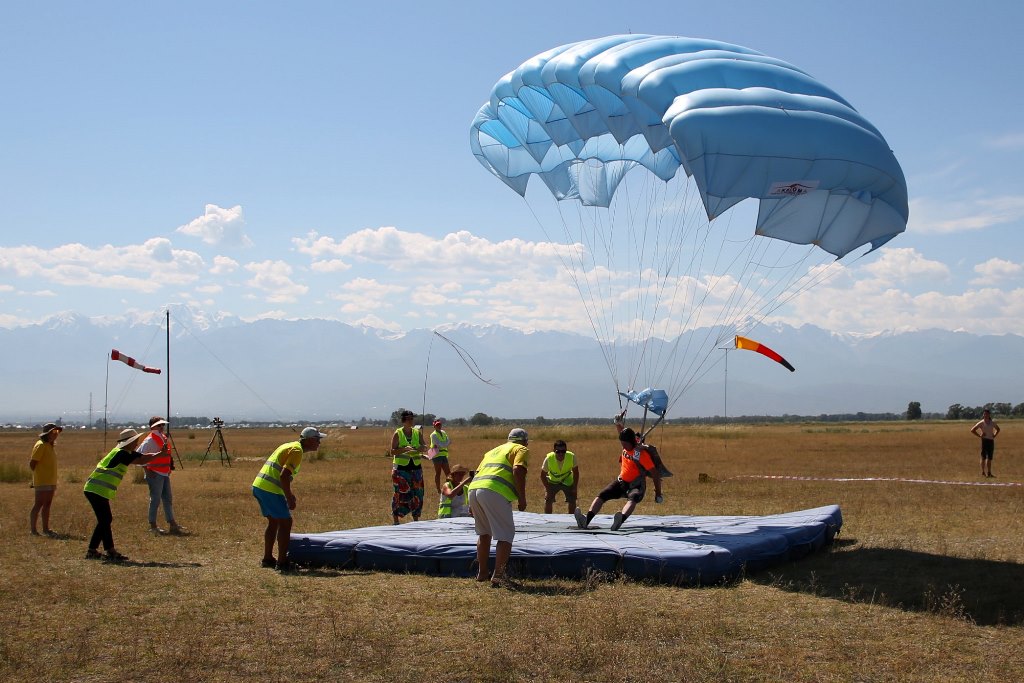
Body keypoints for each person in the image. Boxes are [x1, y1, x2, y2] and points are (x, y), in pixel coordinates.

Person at [83, 428, 163, 562]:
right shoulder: (121, 454)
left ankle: (94, 551)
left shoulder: (123, 452)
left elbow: (140, 456)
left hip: (97, 490)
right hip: (96, 490)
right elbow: (141, 459)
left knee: (105, 520)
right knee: (105, 519)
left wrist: (157, 453)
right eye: (135, 441)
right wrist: (160, 454)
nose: (137, 443)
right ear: (128, 442)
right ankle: (108, 551)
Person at [252, 426, 326, 571]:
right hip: (270, 489)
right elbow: (284, 476)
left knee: (274, 521)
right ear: (310, 440)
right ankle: (282, 562)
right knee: (286, 522)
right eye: (318, 439)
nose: (319, 443)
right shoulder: (297, 451)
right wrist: (289, 497)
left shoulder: (289, 445)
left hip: (259, 486)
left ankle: (268, 559)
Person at [467, 428, 529, 587]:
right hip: (493, 491)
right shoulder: (520, 449)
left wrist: (470, 503)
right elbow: (518, 470)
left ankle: (482, 573)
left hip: (474, 490)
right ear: (525, 441)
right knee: (506, 535)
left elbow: (476, 473)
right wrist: (522, 497)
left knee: (484, 533)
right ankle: (499, 575)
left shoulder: (493, 451)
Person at [574, 427, 663, 532]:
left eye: (625, 444)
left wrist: (658, 492)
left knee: (633, 499)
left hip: (636, 484)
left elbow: (655, 474)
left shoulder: (642, 454)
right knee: (602, 495)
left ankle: (620, 520)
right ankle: (586, 520)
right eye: (622, 443)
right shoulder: (628, 443)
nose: (623, 446)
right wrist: (618, 423)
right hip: (621, 481)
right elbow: (621, 430)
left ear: (632, 441)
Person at [138, 416, 186, 535]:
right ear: (152, 426)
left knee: (167, 499)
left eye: (163, 425)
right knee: (155, 499)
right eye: (159, 425)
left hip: (164, 473)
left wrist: (169, 468)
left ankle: (172, 524)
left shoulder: (163, 438)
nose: (162, 427)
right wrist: (147, 470)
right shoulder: (149, 440)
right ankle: (153, 526)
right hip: (154, 474)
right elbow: (139, 455)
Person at [390, 410, 426, 524]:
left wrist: (421, 448)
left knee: (418, 493)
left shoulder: (417, 432)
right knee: (401, 494)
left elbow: (424, 446)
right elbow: (392, 451)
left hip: (416, 468)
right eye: (409, 419)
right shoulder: (398, 433)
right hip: (401, 469)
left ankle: (416, 518)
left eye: (412, 418)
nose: (411, 421)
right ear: (403, 420)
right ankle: (396, 519)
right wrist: (405, 449)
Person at [614, 410, 672, 479]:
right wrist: (618, 421)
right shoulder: (627, 442)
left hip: (635, 480)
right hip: (624, 476)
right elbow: (622, 433)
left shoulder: (640, 451)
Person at [29, 422, 63, 536]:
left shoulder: (50, 445)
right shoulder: (41, 445)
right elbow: (32, 463)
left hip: (51, 480)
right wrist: (37, 477)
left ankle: (46, 529)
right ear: (47, 433)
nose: (56, 434)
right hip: (42, 480)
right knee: (38, 504)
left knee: (47, 504)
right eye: (54, 431)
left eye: (57, 432)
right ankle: (33, 530)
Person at [540, 440, 578, 514]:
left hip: (568, 481)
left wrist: (574, 487)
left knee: (572, 500)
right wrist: (548, 489)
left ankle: (572, 518)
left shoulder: (571, 456)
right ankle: (548, 518)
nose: (561, 454)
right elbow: (542, 475)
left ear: (566, 450)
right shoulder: (548, 458)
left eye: (563, 451)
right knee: (548, 500)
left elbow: (576, 473)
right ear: (554, 451)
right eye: (558, 451)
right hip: (552, 482)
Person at [971, 409, 1001, 478]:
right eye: (984, 414)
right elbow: (972, 430)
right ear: (983, 415)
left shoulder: (992, 422)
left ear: (989, 414)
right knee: (983, 457)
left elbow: (998, 429)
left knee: (989, 458)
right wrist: (979, 435)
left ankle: (989, 473)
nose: (986, 415)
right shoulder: (981, 423)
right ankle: (983, 472)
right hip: (984, 441)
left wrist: (994, 435)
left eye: (987, 414)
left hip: (991, 441)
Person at [428, 418, 452, 494]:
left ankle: (448, 488)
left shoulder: (444, 432)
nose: (439, 426)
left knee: (448, 473)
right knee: (438, 472)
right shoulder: (433, 435)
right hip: (437, 455)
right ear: (434, 426)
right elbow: (440, 444)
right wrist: (445, 443)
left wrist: (444, 444)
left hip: (444, 454)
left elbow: (448, 441)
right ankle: (438, 489)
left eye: (440, 424)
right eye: (437, 425)